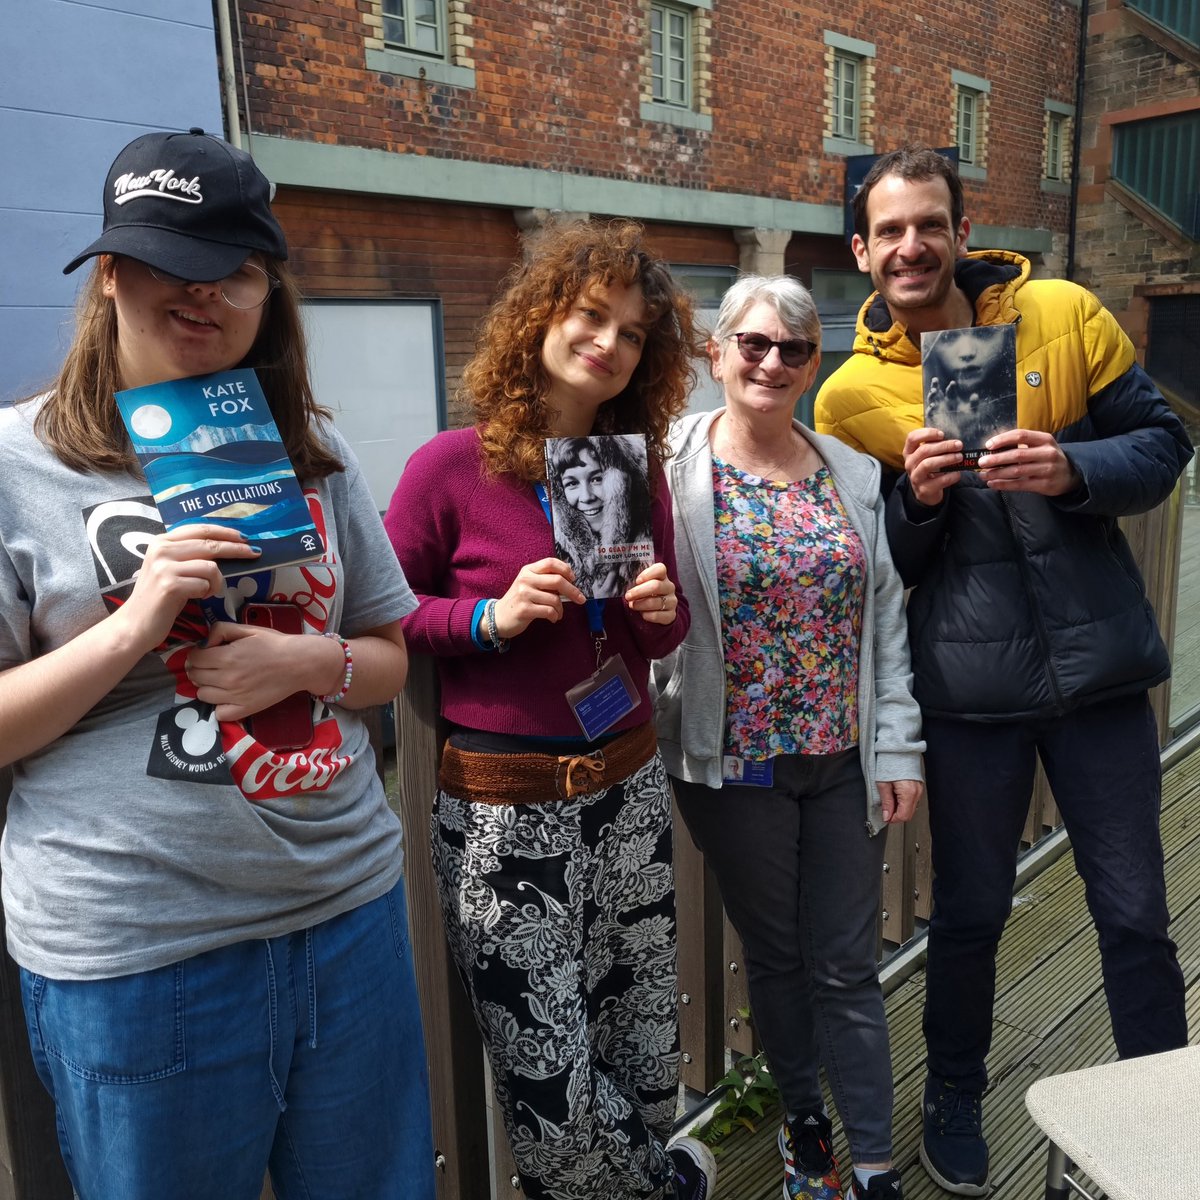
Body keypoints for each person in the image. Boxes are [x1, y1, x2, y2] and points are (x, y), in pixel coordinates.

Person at [0, 128, 436, 1200]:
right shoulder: (16, 464)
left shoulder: (308, 448)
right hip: (141, 946)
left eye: (235, 269)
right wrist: (132, 624)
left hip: (344, 906)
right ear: (110, 274)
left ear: (267, 291)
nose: (204, 293)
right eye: (172, 262)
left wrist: (309, 661)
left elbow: (387, 654)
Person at [815, 145, 1192, 1197]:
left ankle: (1166, 1103)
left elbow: (1163, 447)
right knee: (971, 912)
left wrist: (1073, 467)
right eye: (890, 231)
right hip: (970, 695)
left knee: (1134, 913)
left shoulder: (1062, 315)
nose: (912, 245)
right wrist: (918, 502)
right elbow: (882, 567)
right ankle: (954, 1094)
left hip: (1100, 678)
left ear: (962, 233)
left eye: (929, 224)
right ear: (862, 252)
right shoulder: (849, 397)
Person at [384, 219, 717, 1200]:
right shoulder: (449, 465)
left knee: (644, 1053)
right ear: (538, 319)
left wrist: (659, 610)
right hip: (504, 814)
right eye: (591, 315)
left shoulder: (630, 469)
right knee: (550, 1089)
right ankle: (666, 1187)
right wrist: (487, 617)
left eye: (633, 333)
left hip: (629, 788)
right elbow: (382, 613)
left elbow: (659, 632)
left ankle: (654, 1171)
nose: (609, 343)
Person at [652, 275, 925, 1200]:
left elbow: (885, 622)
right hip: (736, 769)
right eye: (754, 344)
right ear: (717, 352)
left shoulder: (851, 470)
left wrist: (898, 747)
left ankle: (875, 1164)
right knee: (775, 954)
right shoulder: (667, 465)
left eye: (794, 349)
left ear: (814, 364)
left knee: (846, 963)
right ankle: (805, 1123)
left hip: (841, 759)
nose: (772, 362)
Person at [547, 433, 654, 596]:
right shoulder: (560, 550)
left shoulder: (647, 535)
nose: (586, 497)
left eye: (597, 479)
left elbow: (679, 603)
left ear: (621, 483)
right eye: (572, 483)